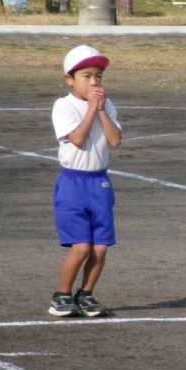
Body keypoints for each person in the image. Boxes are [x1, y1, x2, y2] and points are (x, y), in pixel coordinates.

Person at [49, 44, 123, 318]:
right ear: (69, 79)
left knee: (100, 247)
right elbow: (78, 139)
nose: (94, 82)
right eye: (87, 76)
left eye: (98, 76)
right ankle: (62, 294)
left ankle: (86, 293)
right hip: (73, 183)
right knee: (81, 247)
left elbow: (114, 140)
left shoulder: (107, 105)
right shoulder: (63, 106)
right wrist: (92, 109)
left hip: (99, 183)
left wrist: (101, 110)